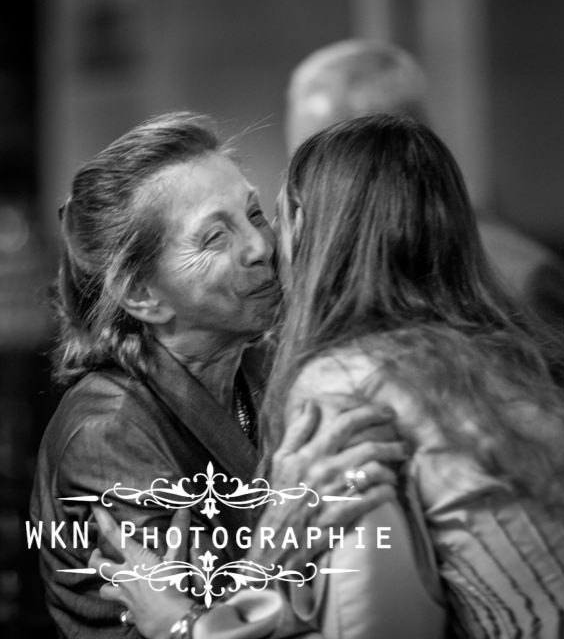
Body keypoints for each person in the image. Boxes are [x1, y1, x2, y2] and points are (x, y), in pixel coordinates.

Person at [98, 114, 564, 638]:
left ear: (322, 237)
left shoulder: (348, 379)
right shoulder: (526, 357)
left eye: (270, 216)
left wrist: (186, 626)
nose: (265, 248)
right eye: (218, 234)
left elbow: (377, 625)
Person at [30, 113, 406, 639]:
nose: (262, 247)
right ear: (142, 295)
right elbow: (204, 623)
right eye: (214, 237)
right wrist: (292, 522)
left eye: (256, 214)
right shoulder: (110, 431)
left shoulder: (266, 367)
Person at [285, 39, 564, 341]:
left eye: (323, 161)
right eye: (300, 160)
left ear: (389, 143)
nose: (301, 184)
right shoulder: (300, 277)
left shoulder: (520, 279)